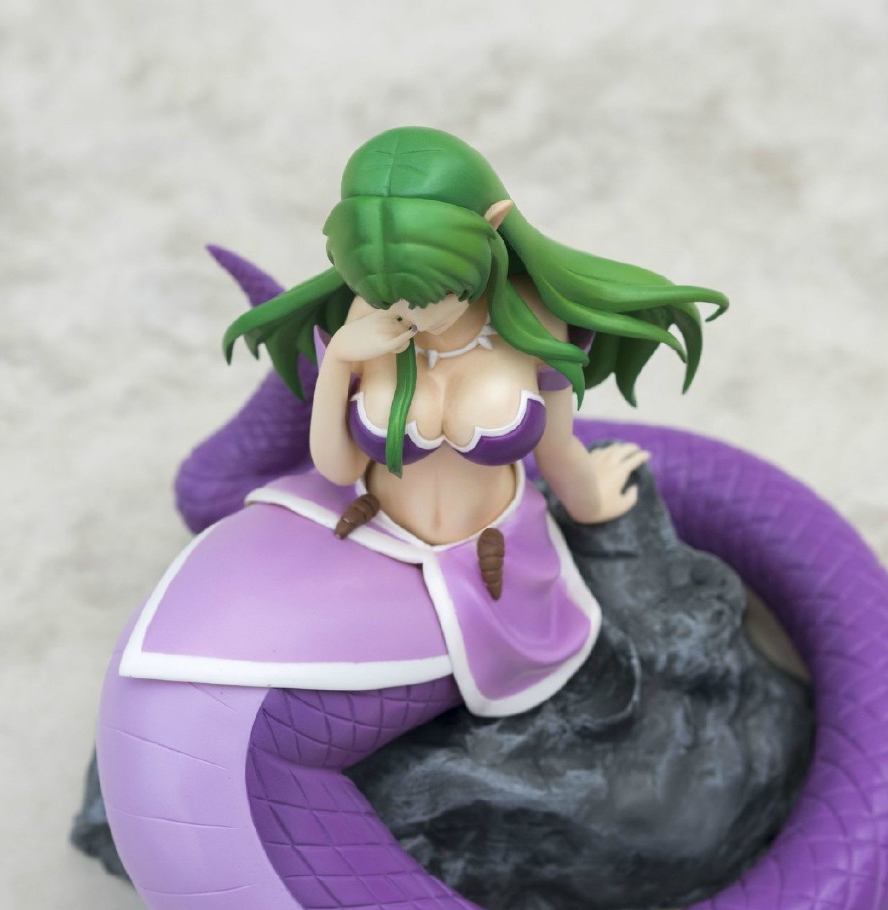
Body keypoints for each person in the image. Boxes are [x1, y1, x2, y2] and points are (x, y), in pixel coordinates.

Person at [125, 126, 726, 719]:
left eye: (439, 294)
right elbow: (338, 467)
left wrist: (592, 505)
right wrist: (339, 362)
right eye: (391, 297)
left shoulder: (534, 320)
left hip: (496, 560)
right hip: (368, 534)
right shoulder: (370, 310)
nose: (414, 315)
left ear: (492, 225)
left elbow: (556, 444)